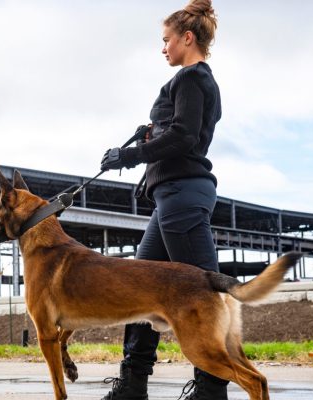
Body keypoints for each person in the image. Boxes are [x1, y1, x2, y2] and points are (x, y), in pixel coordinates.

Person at [99, 0, 226, 399]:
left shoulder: (190, 79)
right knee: (139, 292)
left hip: (183, 198)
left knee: (204, 293)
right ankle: (132, 384)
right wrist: (152, 135)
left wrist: (131, 155)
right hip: (172, 198)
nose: (163, 48)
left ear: (187, 38)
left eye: (167, 40)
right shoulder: (193, 82)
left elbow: (186, 137)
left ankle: (211, 387)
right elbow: (181, 134)